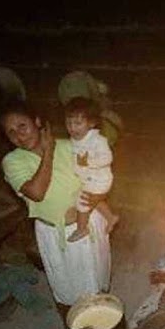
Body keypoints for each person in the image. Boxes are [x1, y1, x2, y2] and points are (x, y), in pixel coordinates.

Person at [0, 101, 111, 320]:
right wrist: (48, 151)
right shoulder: (12, 161)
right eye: (11, 132)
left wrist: (108, 214)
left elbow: (91, 182)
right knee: (65, 290)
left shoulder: (71, 146)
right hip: (53, 233)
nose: (19, 136)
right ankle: (73, 327)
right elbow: (37, 192)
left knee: (96, 281)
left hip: (87, 224)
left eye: (22, 126)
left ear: (38, 122)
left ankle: (105, 324)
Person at [64, 97, 119, 242]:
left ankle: (82, 229)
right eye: (69, 123)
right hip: (88, 178)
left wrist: (89, 161)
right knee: (92, 200)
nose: (72, 128)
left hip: (99, 179)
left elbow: (107, 158)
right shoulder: (73, 140)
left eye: (78, 123)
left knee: (82, 202)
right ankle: (110, 217)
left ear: (91, 123)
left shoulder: (98, 140)